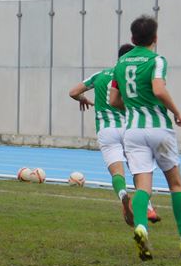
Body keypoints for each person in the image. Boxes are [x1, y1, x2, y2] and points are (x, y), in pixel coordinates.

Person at [110, 15, 181, 260]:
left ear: (132, 38)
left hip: (133, 131)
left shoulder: (120, 63)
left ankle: (141, 227)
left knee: (143, 187)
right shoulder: (157, 60)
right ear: (155, 38)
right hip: (159, 128)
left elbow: (114, 100)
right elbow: (159, 89)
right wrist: (177, 112)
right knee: (176, 184)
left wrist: (134, 108)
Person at [68, 44, 160, 226]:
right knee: (139, 171)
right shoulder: (132, 78)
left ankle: (123, 194)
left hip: (107, 130)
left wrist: (83, 99)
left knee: (117, 173)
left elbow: (73, 92)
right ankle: (148, 208)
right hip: (129, 129)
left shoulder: (100, 75)